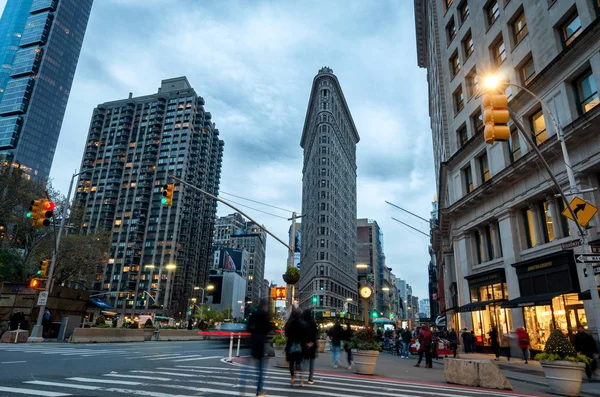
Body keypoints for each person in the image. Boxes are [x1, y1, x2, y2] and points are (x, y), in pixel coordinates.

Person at [247, 298, 271, 396]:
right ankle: (259, 390)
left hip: (253, 342)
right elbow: (268, 328)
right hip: (261, 343)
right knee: (261, 369)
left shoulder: (253, 314)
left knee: (255, 367)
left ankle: (256, 387)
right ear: (265, 306)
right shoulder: (265, 315)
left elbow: (248, 327)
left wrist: (253, 333)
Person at [285, 309, 306, 387]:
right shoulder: (302, 324)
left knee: (291, 362)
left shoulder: (289, 324)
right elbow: (304, 335)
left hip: (290, 344)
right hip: (299, 345)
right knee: (298, 362)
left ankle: (292, 377)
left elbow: (286, 334)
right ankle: (296, 375)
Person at [301, 310, 318, 385]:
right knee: (312, 362)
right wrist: (312, 343)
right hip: (312, 345)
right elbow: (315, 334)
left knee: (304, 361)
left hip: (304, 344)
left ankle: (302, 377)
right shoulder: (313, 323)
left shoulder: (302, 323)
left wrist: (305, 342)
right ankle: (310, 378)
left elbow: (301, 334)